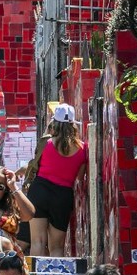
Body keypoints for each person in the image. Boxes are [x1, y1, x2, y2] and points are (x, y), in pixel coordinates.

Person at [26, 103, 88, 256]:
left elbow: (36, 163)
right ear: (73, 125)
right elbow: (80, 177)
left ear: (54, 123)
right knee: (57, 247)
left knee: (37, 241)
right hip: (62, 195)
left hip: (39, 190)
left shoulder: (46, 143)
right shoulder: (83, 148)